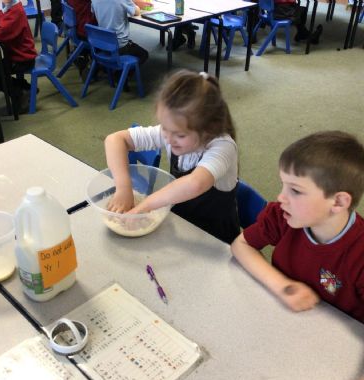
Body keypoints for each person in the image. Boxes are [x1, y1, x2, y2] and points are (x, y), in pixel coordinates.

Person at [231, 131, 364, 321]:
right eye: (283, 185)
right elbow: (241, 245)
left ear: (338, 202)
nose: (281, 197)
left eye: (295, 190)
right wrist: (282, 287)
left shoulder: (359, 255)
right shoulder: (282, 215)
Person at [104, 69, 240, 243]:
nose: (168, 139)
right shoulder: (172, 132)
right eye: (164, 128)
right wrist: (123, 188)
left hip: (215, 239)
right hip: (180, 225)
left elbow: (195, 183)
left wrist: (145, 206)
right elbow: (114, 140)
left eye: (179, 135)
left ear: (208, 129)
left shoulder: (223, 147)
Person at [90, 0, 149, 65]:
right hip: (119, 46)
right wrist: (136, 5)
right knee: (144, 54)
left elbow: (93, 10)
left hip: (101, 43)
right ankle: (123, 70)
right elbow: (136, 12)